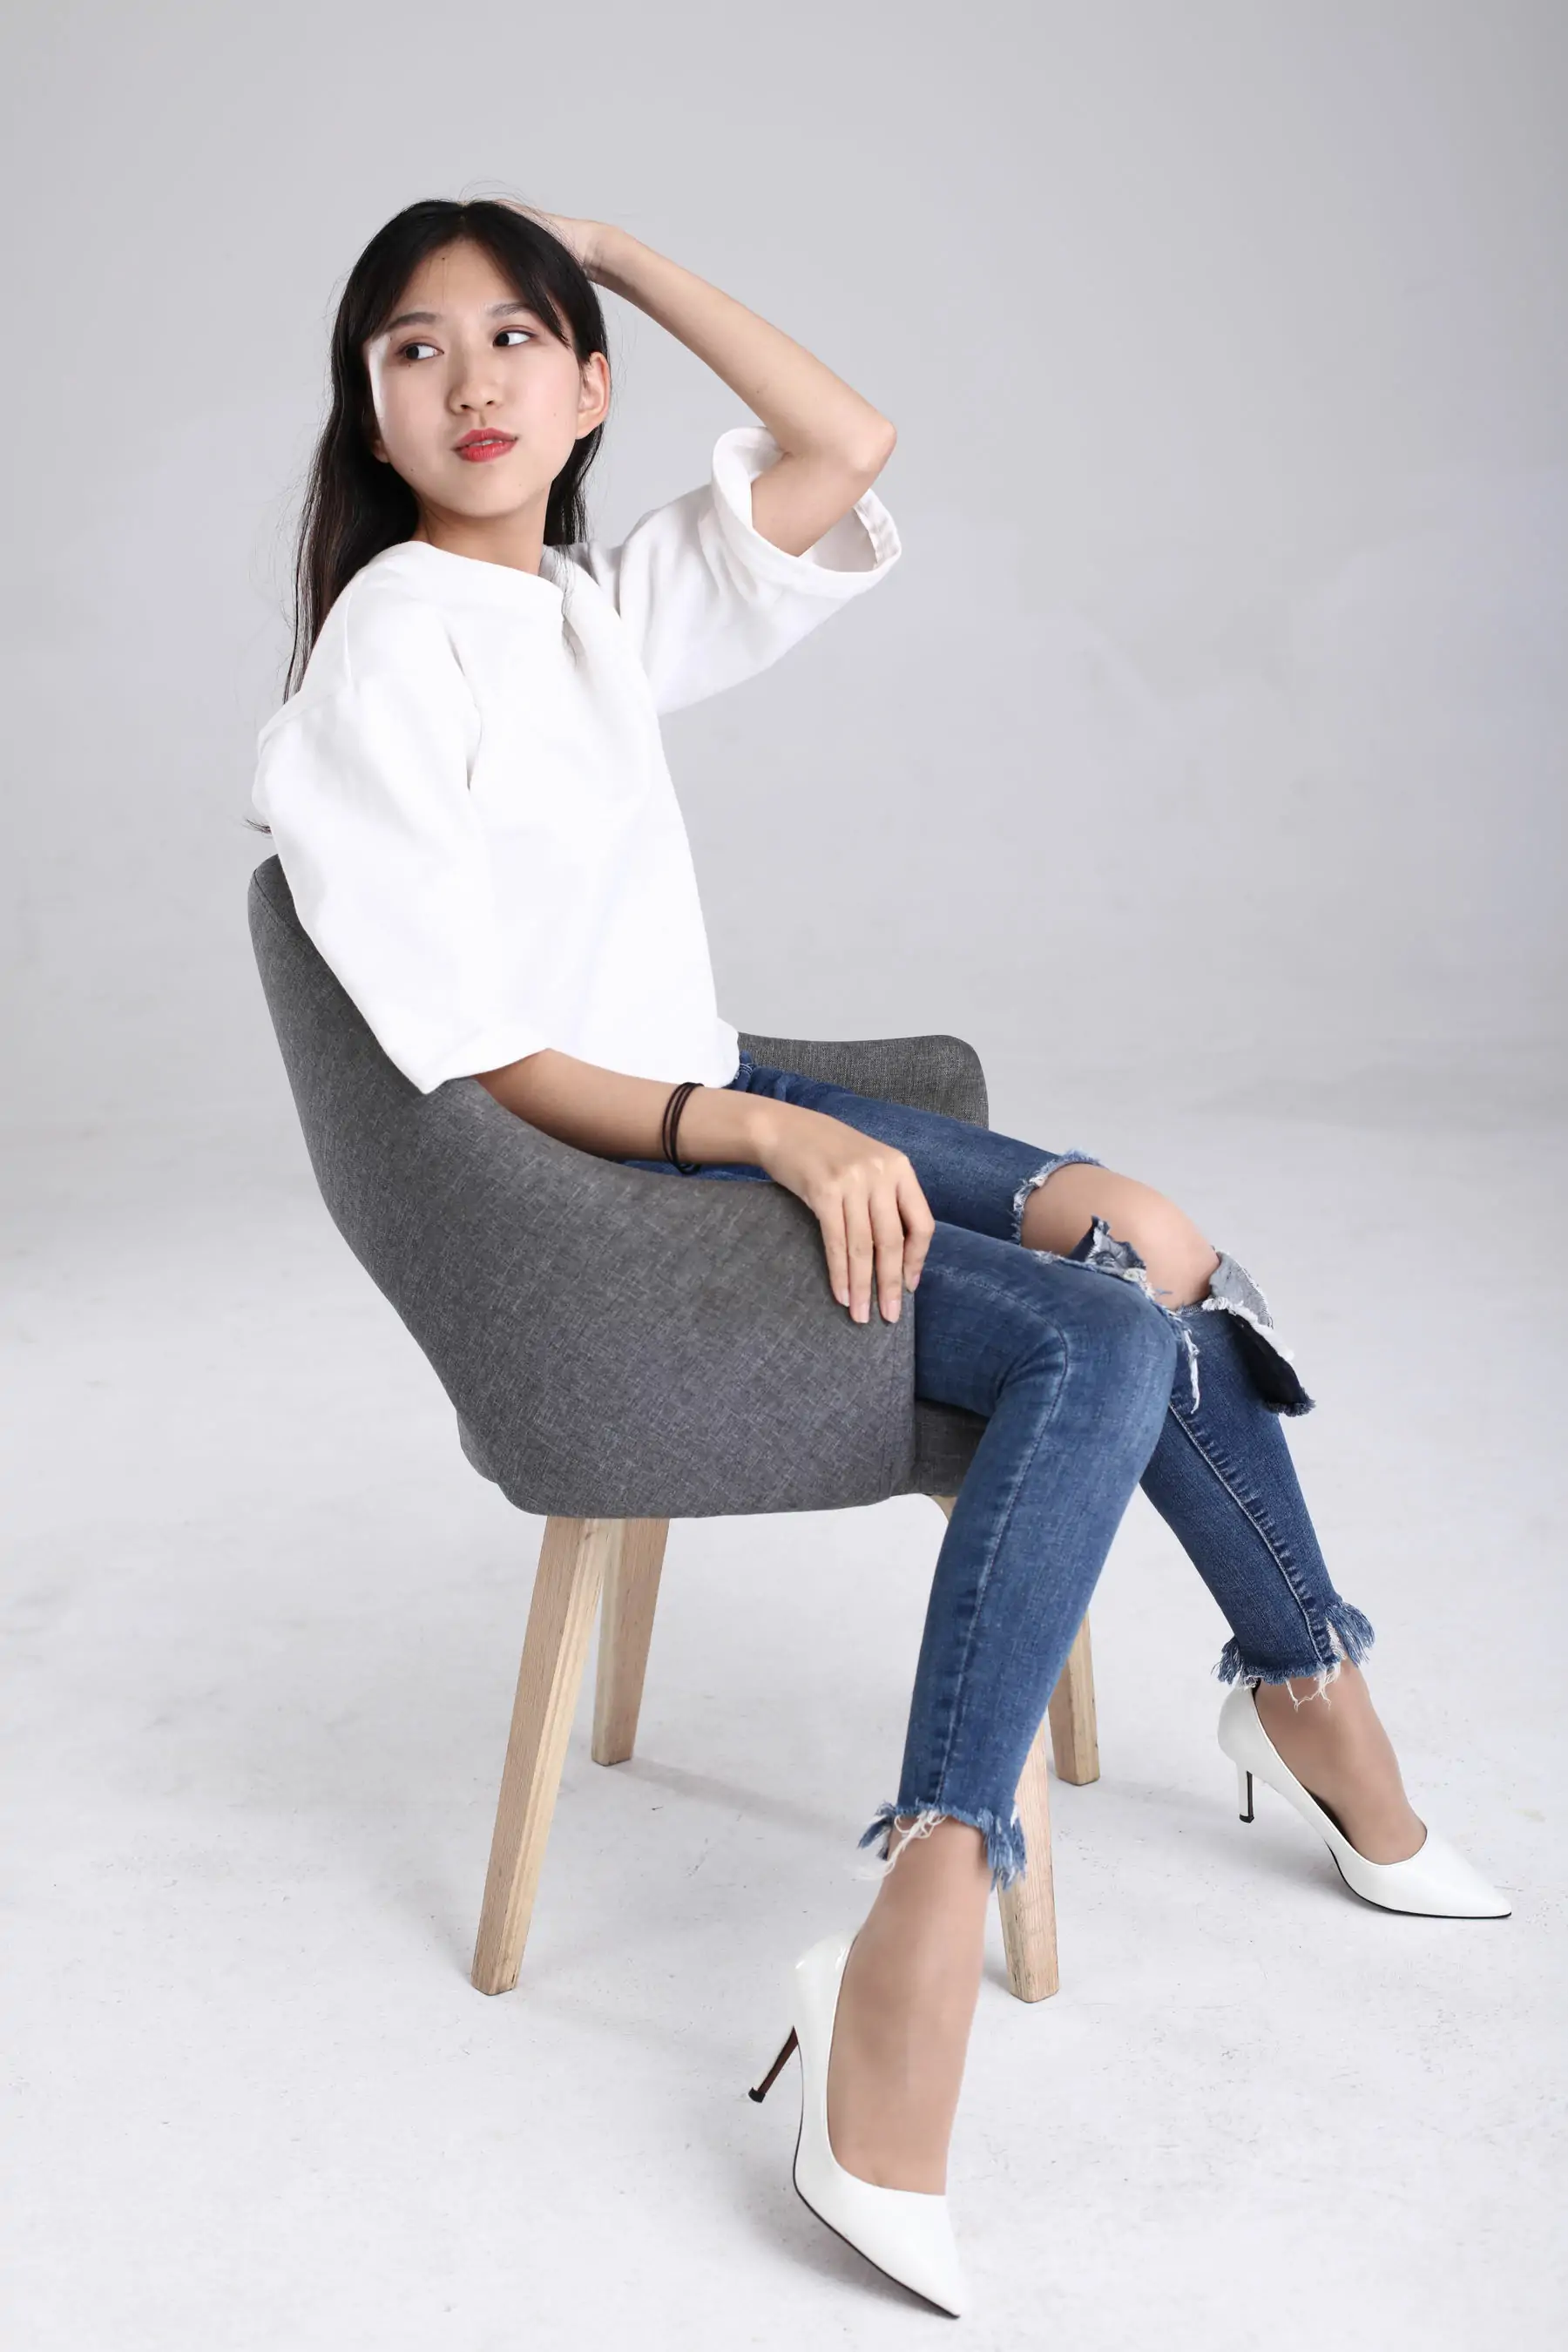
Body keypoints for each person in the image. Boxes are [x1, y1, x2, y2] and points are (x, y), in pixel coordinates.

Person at [248, 197, 1509, 2317]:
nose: (469, 383)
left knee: (1160, 1247)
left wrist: (619, 256)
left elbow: (846, 446)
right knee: (1108, 1338)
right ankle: (937, 1910)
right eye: (413, 350)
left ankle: (1301, 1689)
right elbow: (469, 1049)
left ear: (588, 388)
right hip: (615, 1202)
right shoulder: (392, 643)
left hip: (706, 1100)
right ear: (369, 418)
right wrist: (755, 1128)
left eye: (516, 338)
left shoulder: (577, 610)